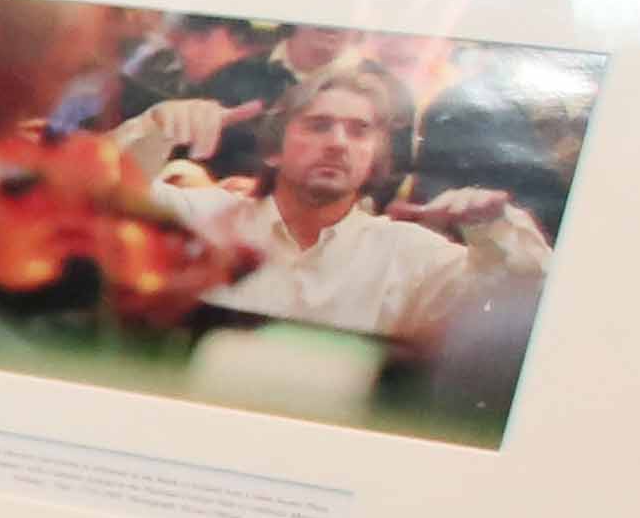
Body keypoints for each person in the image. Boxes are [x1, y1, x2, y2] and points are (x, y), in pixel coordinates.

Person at [109, 57, 552, 338]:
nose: (338, 142)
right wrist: (153, 129)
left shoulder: (408, 257)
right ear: (273, 149)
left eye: (360, 130)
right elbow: (95, 198)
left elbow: (531, 301)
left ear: (376, 157)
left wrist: (494, 226)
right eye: (319, 125)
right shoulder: (202, 217)